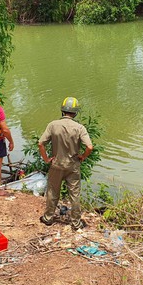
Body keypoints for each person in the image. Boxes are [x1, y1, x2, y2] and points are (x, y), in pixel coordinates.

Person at [38, 97, 93, 231]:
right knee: (74, 194)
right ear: (75, 113)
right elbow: (90, 147)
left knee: (52, 192)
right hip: (73, 166)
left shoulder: (53, 125)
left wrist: (46, 159)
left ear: (62, 110)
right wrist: (83, 157)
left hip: (56, 164)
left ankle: (48, 218)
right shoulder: (80, 128)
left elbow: (41, 143)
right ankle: (76, 223)